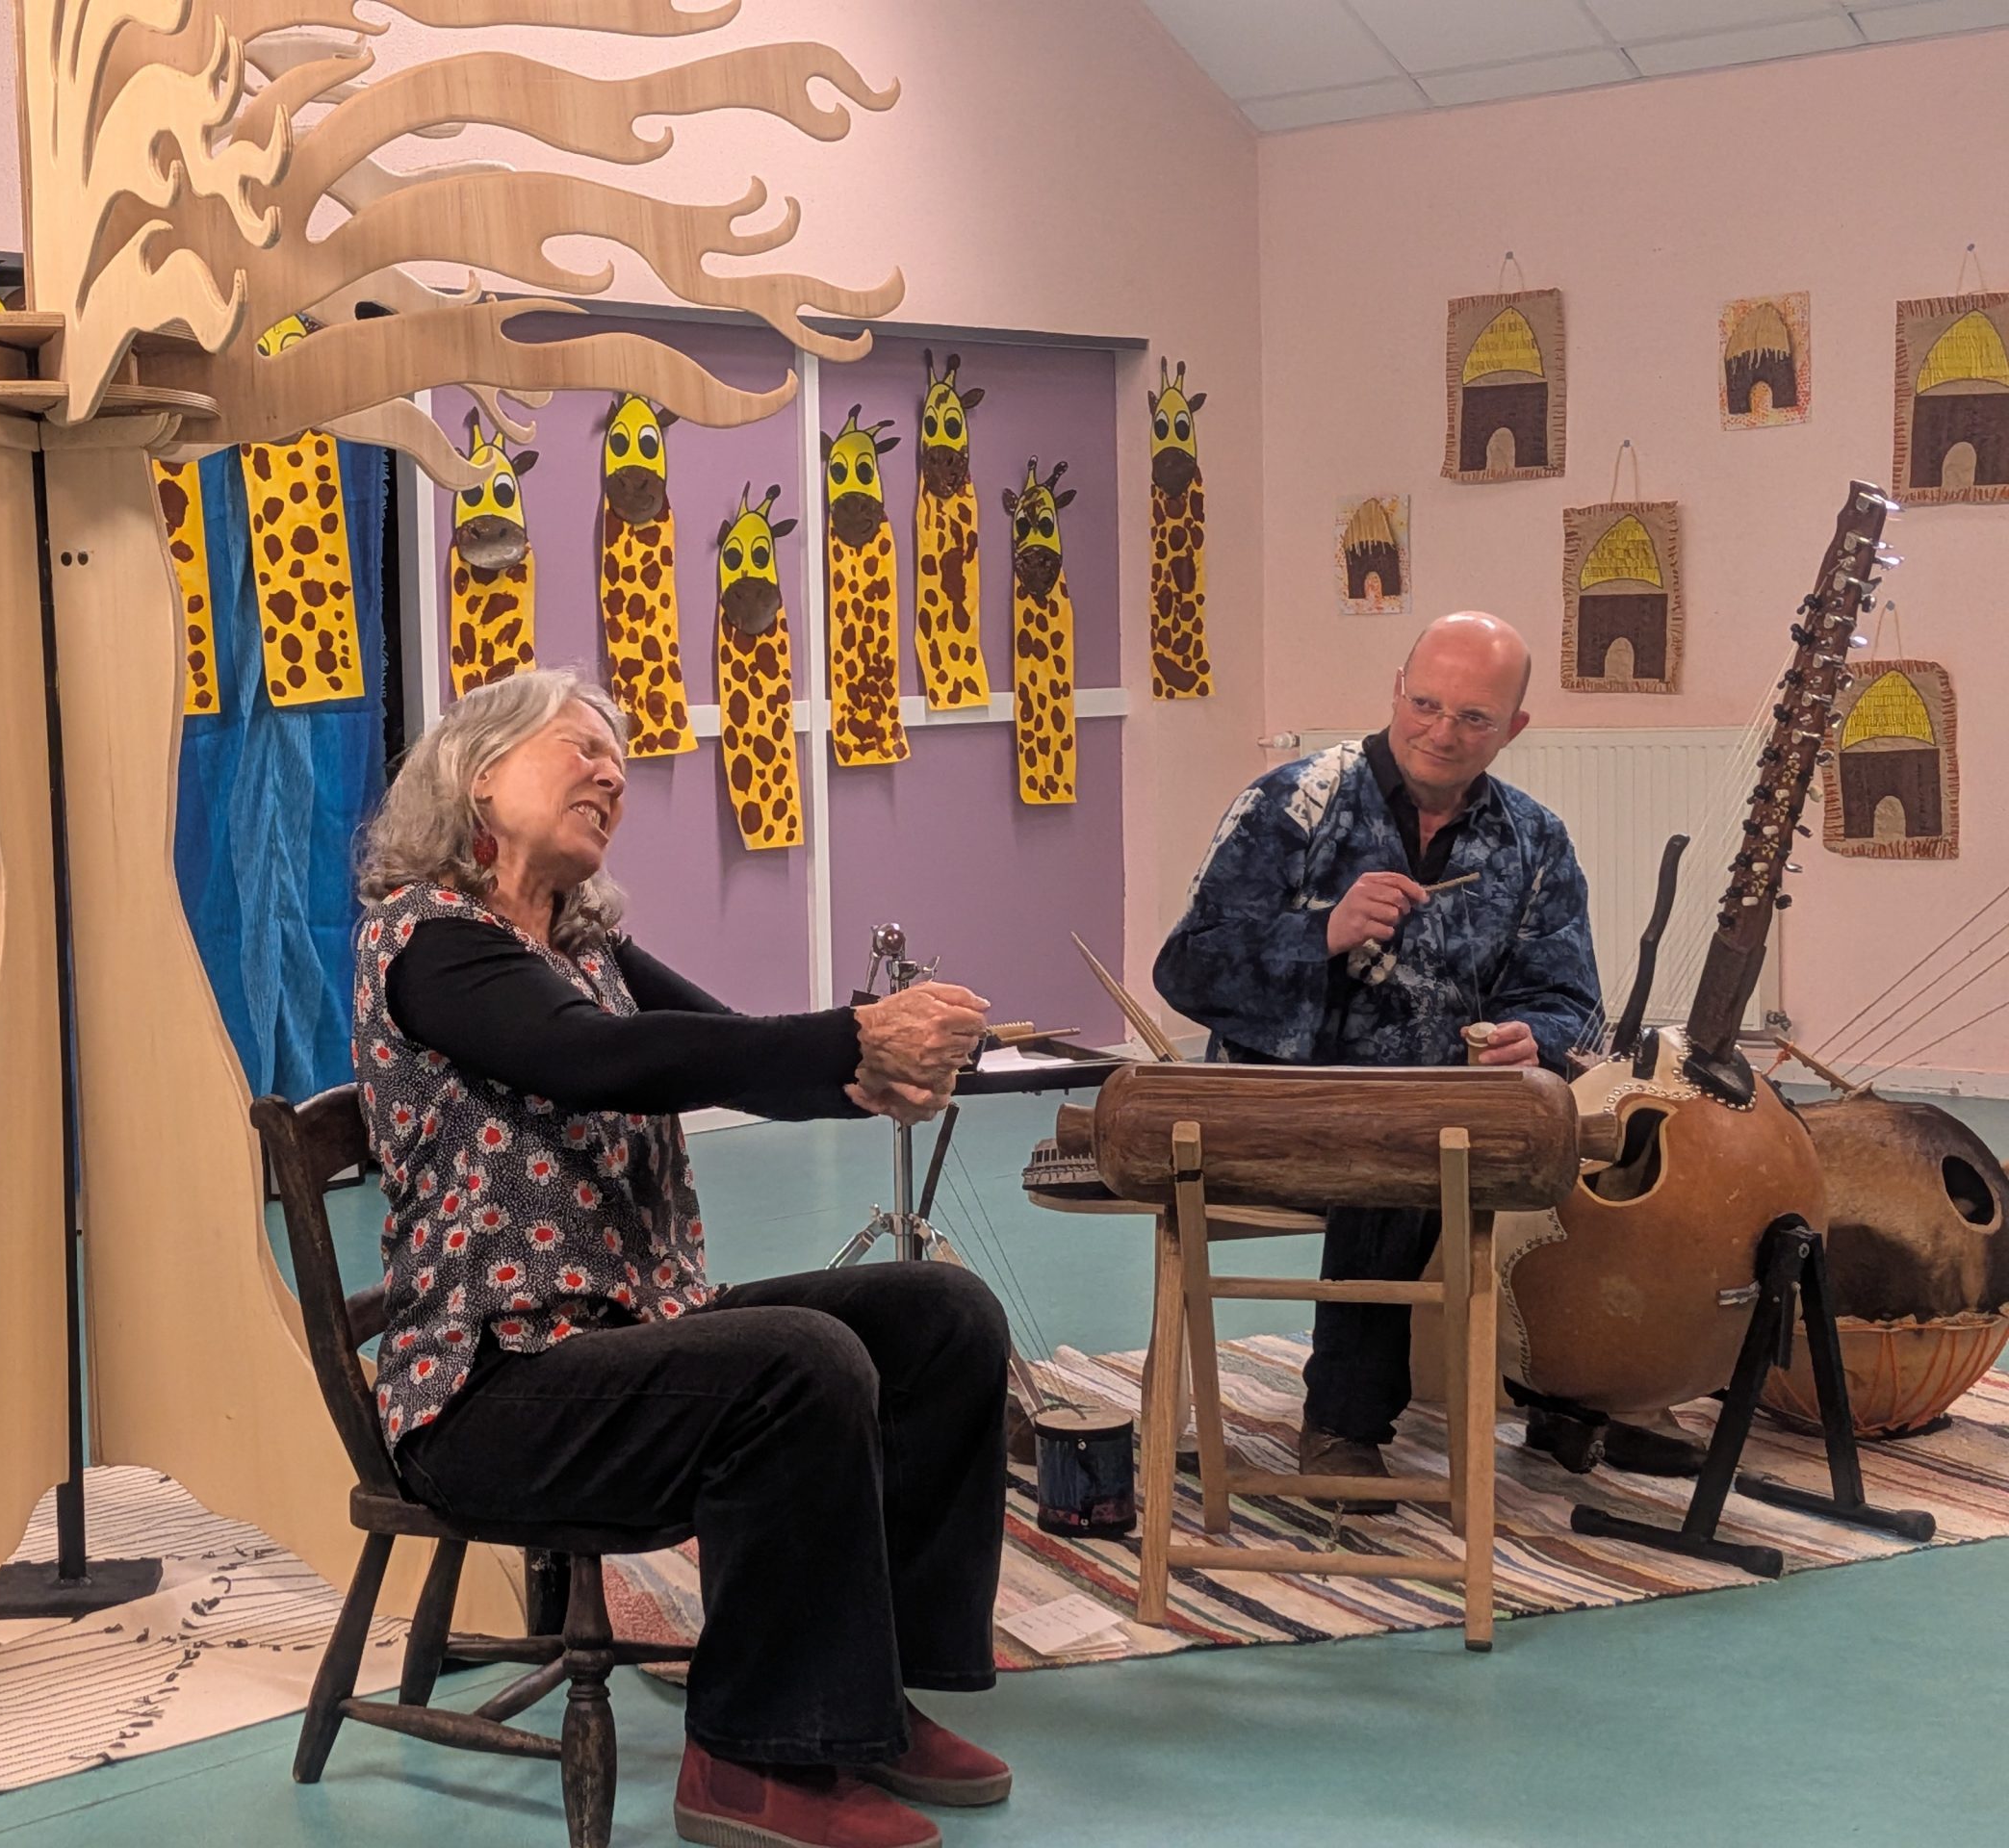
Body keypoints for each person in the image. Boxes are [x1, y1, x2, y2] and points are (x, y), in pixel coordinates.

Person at [352, 667, 1009, 1848]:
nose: (613, 773)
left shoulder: (584, 942)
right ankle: (748, 1758)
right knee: (798, 1362)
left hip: (618, 1345)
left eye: (617, 757)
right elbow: (599, 1060)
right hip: (489, 1394)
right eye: (581, 747)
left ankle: (861, 1705)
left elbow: (717, 1047)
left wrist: (871, 1078)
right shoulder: (428, 941)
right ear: (480, 775)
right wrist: (856, 1034)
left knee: (939, 1317)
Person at [1151, 613, 1649, 1504]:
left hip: (1452, 1116)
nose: (1441, 733)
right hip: (1282, 1111)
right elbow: (1187, 969)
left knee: (1612, 1129)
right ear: (1396, 690)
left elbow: (1572, 1004)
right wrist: (1321, 933)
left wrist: (1532, 1038)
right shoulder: (1294, 803)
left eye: (1473, 718)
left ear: (1514, 728)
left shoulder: (1535, 840)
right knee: (1404, 1143)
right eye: (1425, 705)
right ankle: (1343, 1424)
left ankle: (1576, 1389)